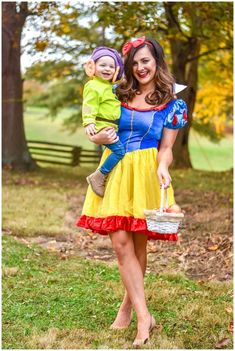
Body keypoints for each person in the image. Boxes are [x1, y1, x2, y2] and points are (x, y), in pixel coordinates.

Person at [77, 36, 188, 346]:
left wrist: (163, 166)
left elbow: (166, 148)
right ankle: (143, 316)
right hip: (115, 170)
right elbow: (96, 123)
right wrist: (97, 139)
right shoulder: (117, 92)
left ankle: (128, 306)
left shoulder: (171, 101)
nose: (140, 67)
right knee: (121, 242)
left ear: (157, 62)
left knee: (139, 244)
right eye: (135, 62)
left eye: (146, 61)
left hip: (146, 171)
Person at [82, 46, 125, 197]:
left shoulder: (109, 86)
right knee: (119, 151)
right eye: (102, 65)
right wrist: (89, 122)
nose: (107, 69)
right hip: (102, 126)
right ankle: (98, 176)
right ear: (92, 66)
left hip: (111, 125)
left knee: (118, 149)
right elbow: (89, 105)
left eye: (111, 66)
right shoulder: (93, 85)